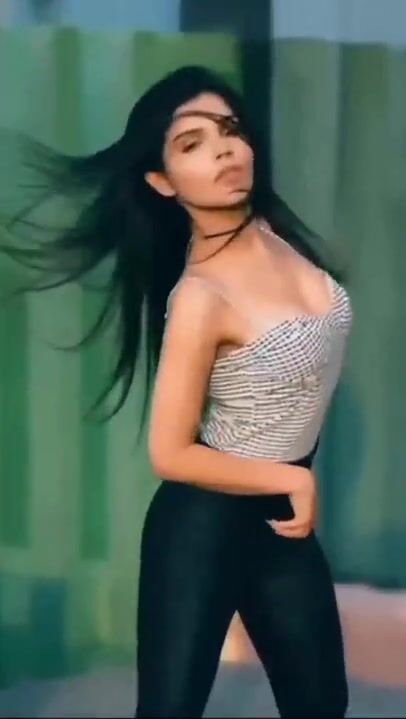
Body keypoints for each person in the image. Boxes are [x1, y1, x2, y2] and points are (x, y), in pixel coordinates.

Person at [1, 65, 352, 717]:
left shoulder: (275, 236)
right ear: (162, 181)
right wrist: (293, 476)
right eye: (192, 142)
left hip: (280, 523)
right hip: (202, 528)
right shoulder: (199, 296)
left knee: (323, 705)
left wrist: (291, 479)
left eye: (229, 129)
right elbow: (169, 452)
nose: (223, 149)